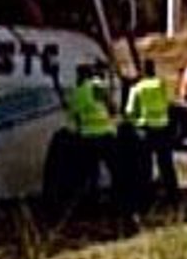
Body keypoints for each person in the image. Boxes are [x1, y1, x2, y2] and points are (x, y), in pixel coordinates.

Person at [125, 59, 177, 207]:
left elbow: (129, 111)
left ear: (142, 71)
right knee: (166, 163)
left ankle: (146, 197)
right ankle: (172, 194)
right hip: (162, 126)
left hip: (146, 128)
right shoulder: (161, 84)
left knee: (145, 165)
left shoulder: (138, 88)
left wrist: (136, 122)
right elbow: (168, 102)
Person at [66, 62, 119, 199]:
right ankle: (119, 200)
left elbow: (74, 116)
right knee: (115, 169)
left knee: (91, 173)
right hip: (105, 134)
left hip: (88, 137)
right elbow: (112, 108)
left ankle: (93, 200)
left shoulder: (77, 92)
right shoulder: (97, 86)